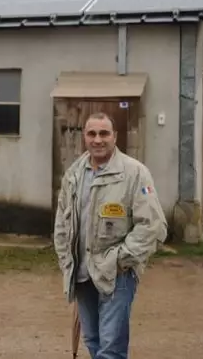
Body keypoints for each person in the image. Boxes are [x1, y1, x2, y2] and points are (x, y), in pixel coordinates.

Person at [53, 112, 167, 359]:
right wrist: (66, 261)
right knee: (93, 342)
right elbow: (62, 222)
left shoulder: (135, 174)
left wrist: (120, 260)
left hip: (118, 276)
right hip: (82, 275)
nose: (97, 140)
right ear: (84, 136)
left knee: (111, 348)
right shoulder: (74, 175)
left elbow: (152, 225)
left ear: (115, 137)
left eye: (104, 133)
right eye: (92, 133)